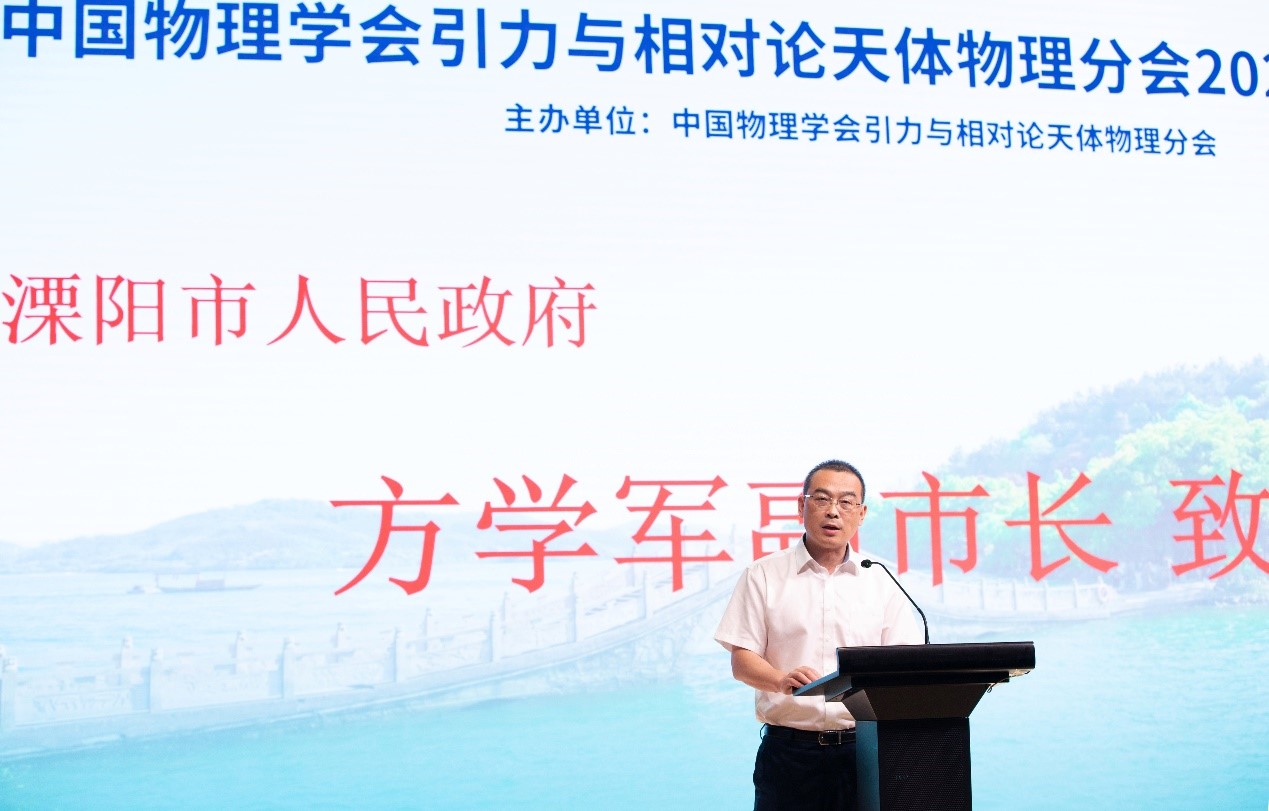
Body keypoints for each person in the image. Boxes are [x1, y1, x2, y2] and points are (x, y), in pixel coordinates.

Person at [714, 459, 922, 810]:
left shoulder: (881, 579)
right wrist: (780, 680)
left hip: (865, 750)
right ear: (802, 506)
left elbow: (905, 660)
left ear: (861, 514)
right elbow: (742, 660)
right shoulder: (762, 575)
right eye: (822, 499)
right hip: (789, 755)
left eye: (846, 502)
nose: (833, 512)